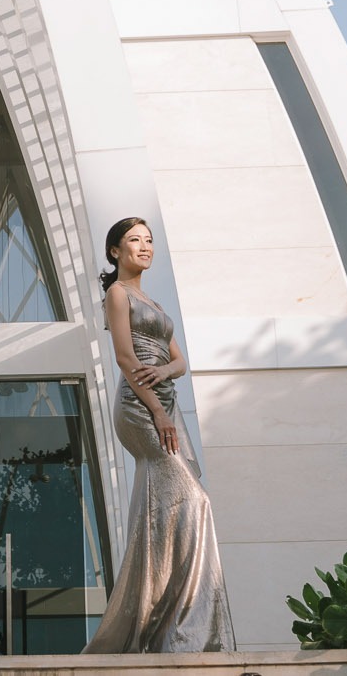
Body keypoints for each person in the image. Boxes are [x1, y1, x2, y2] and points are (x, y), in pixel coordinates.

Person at [82, 217, 234, 653]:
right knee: (195, 501)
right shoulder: (117, 294)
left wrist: (166, 375)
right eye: (135, 240)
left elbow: (179, 361)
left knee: (169, 508)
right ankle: (185, 629)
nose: (145, 247)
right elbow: (125, 358)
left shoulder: (155, 302)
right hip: (139, 406)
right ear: (115, 251)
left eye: (149, 240)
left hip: (165, 402)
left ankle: (163, 627)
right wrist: (157, 411)